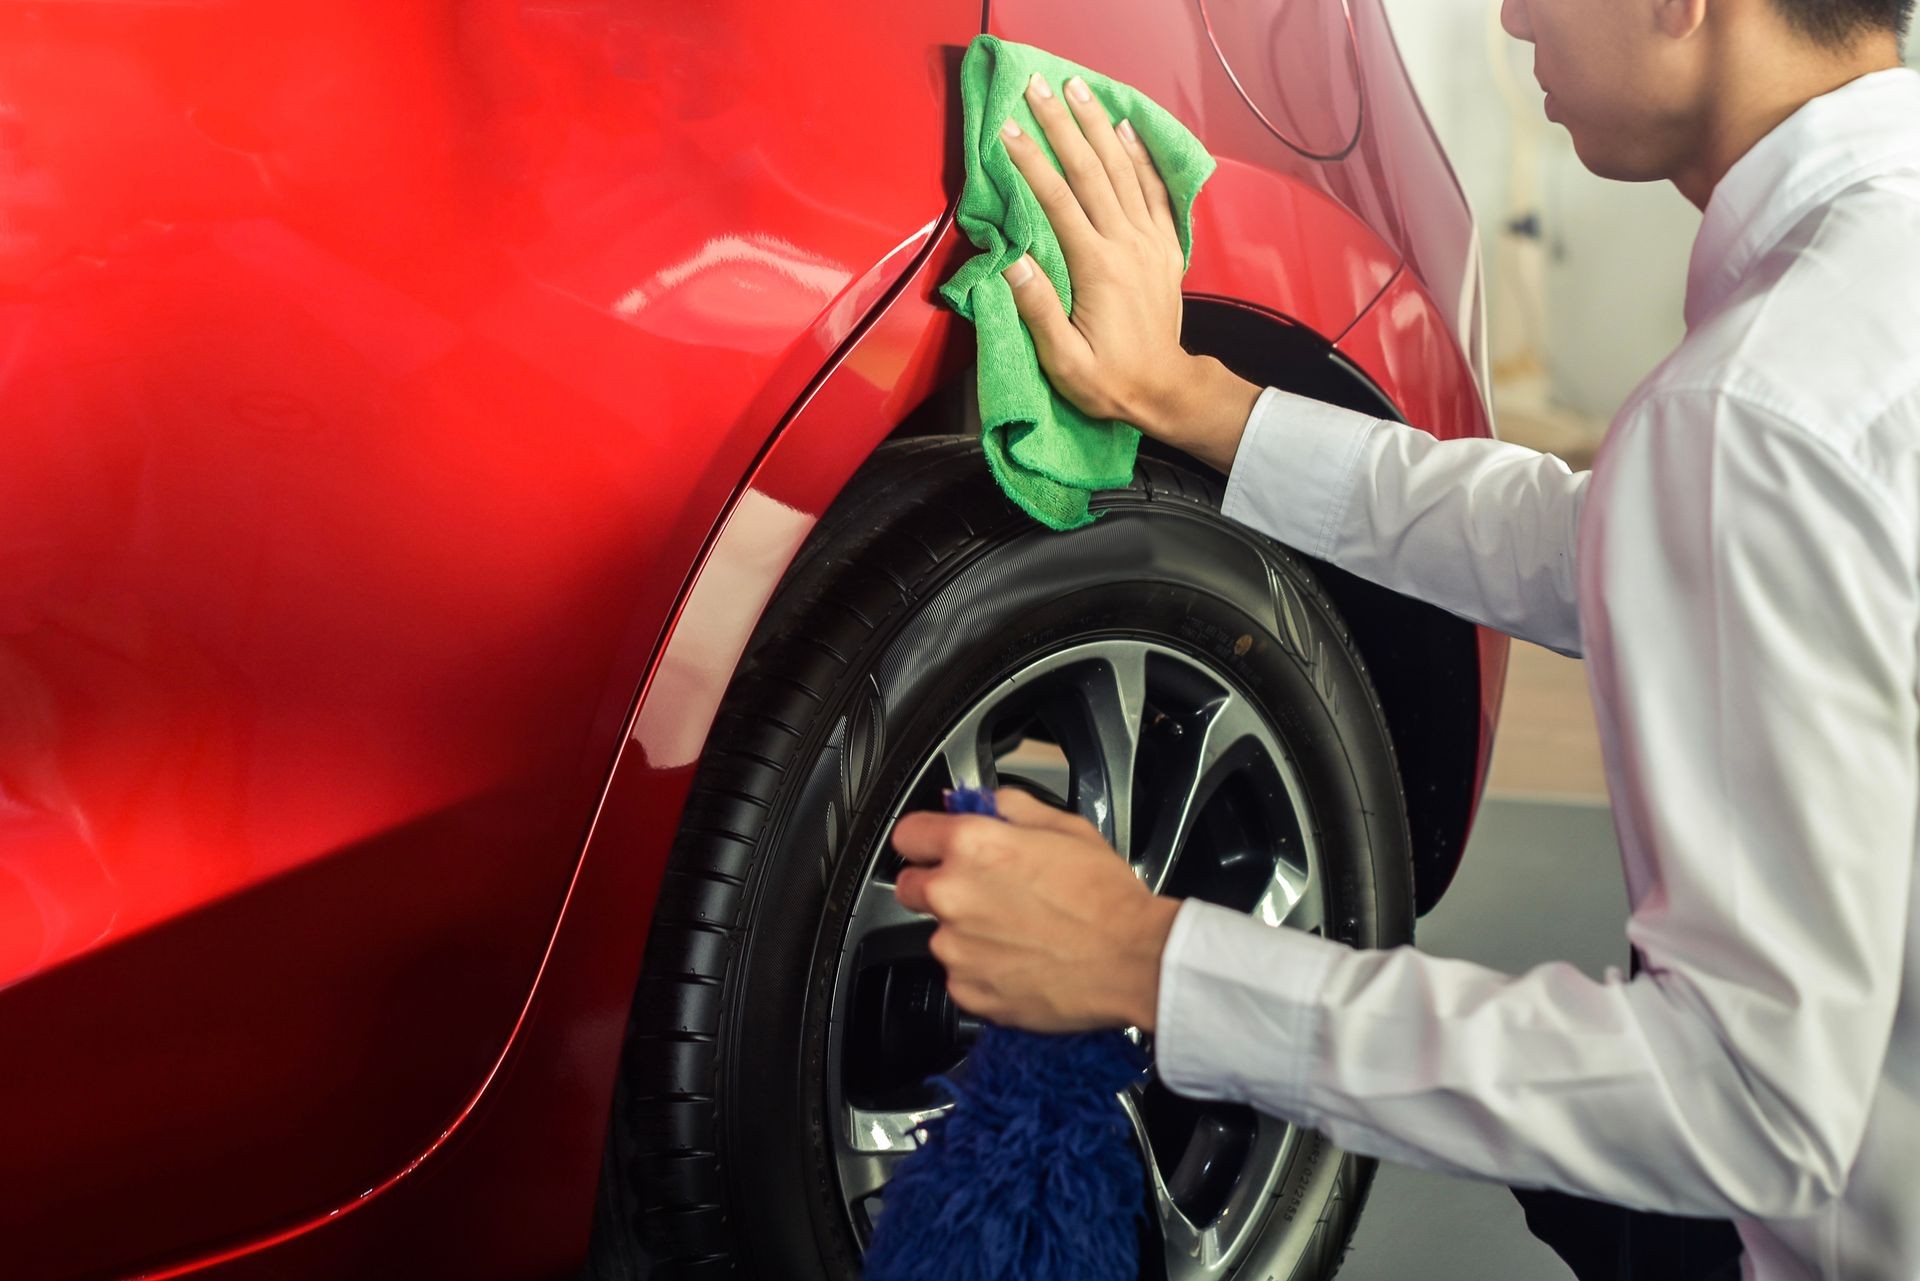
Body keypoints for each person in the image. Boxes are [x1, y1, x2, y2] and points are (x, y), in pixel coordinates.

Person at [887, 0, 1920, 1277]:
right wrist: (1195, 398)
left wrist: (1151, 963)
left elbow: (1751, 1112)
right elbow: (1604, 541)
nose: (1511, 12)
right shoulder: (1868, 293)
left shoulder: (1757, 412)